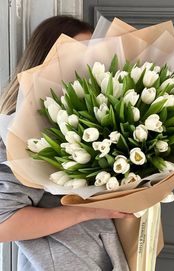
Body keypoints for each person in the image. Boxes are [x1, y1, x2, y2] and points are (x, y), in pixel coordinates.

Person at [0, 15, 131, 271]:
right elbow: (2, 224)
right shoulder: (17, 130)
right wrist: (88, 211)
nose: (86, 67)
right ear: (43, 63)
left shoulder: (96, 117)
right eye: (73, 58)